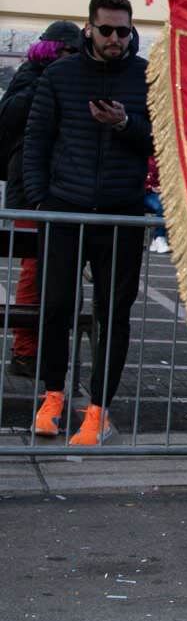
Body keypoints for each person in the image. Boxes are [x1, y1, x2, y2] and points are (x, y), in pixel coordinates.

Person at [21, 0, 153, 446]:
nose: (116, 39)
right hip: (65, 210)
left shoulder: (146, 77)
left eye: (123, 31)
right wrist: (40, 203)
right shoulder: (59, 75)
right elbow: (36, 142)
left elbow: (159, 141)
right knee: (55, 307)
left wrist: (124, 124)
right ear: (89, 29)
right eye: (107, 30)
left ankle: (98, 409)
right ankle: (52, 397)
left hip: (121, 215)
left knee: (113, 314)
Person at [0, 21, 82, 375]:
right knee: (34, 269)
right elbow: (9, 117)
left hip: (59, 187)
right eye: (67, 51)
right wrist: (46, 85)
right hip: (30, 189)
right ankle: (25, 351)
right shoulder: (32, 76)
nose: (72, 57)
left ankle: (44, 349)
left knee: (56, 273)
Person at [145, 157, 169, 254]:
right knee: (162, 204)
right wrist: (150, 187)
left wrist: (161, 187)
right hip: (143, 193)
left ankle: (157, 238)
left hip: (155, 193)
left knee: (165, 203)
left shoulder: (161, 157)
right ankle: (159, 238)